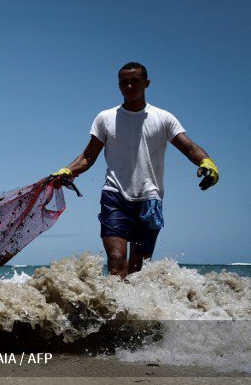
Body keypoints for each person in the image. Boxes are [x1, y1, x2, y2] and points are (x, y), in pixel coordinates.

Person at [52, 62, 218, 279]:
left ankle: (132, 313)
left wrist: (207, 163)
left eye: (135, 82)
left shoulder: (163, 118)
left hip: (150, 199)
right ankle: (115, 312)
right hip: (114, 196)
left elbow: (190, 148)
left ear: (146, 83)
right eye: (124, 83)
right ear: (119, 85)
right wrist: (68, 170)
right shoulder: (106, 117)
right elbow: (87, 157)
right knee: (117, 261)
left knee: (138, 272)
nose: (129, 86)